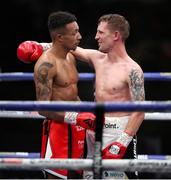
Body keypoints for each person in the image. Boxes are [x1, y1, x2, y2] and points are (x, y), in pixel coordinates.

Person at [17, 13, 145, 179]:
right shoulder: (97, 58)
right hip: (93, 130)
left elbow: (140, 110)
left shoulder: (133, 70)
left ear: (115, 35)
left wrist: (122, 141)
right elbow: (63, 44)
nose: (95, 36)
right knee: (89, 176)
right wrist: (38, 46)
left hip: (119, 132)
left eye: (101, 32)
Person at [17, 11, 97, 179]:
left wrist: (84, 115)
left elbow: (73, 95)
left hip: (78, 127)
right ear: (60, 37)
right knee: (57, 177)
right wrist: (75, 117)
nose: (80, 36)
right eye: (74, 32)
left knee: (79, 176)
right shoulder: (46, 65)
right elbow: (43, 109)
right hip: (57, 130)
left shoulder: (71, 57)